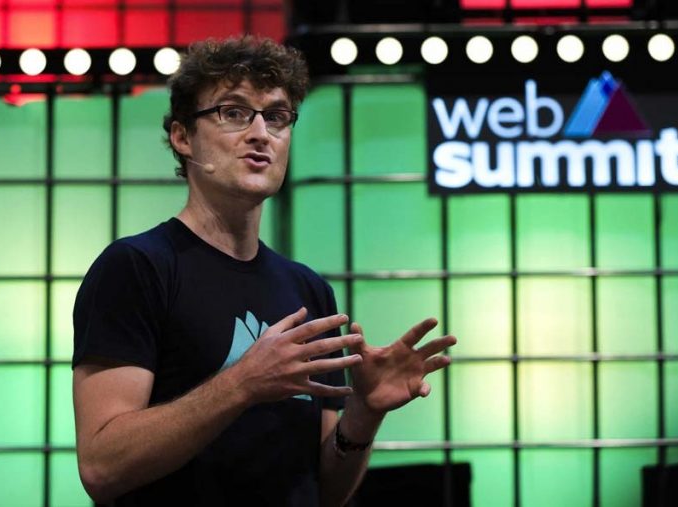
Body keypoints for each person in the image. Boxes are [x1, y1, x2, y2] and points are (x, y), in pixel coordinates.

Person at [72, 36, 456, 506]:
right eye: (233, 112)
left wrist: (363, 413)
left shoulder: (308, 290)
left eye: (276, 117)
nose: (260, 133)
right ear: (182, 137)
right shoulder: (136, 268)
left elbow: (326, 492)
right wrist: (243, 383)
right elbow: (102, 466)